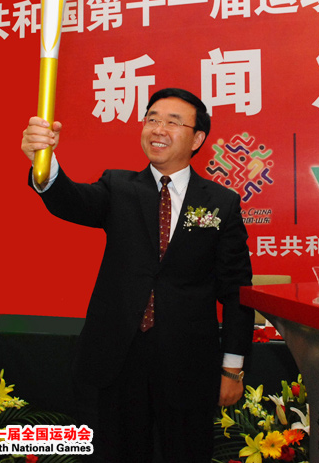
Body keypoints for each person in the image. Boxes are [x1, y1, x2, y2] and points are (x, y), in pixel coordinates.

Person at [21, 87, 254, 463]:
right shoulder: (118, 187)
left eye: (173, 122)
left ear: (197, 138)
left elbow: (236, 290)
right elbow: (71, 201)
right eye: (152, 119)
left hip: (187, 365)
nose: (158, 129)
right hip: (115, 361)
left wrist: (232, 369)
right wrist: (43, 164)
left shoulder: (220, 203)